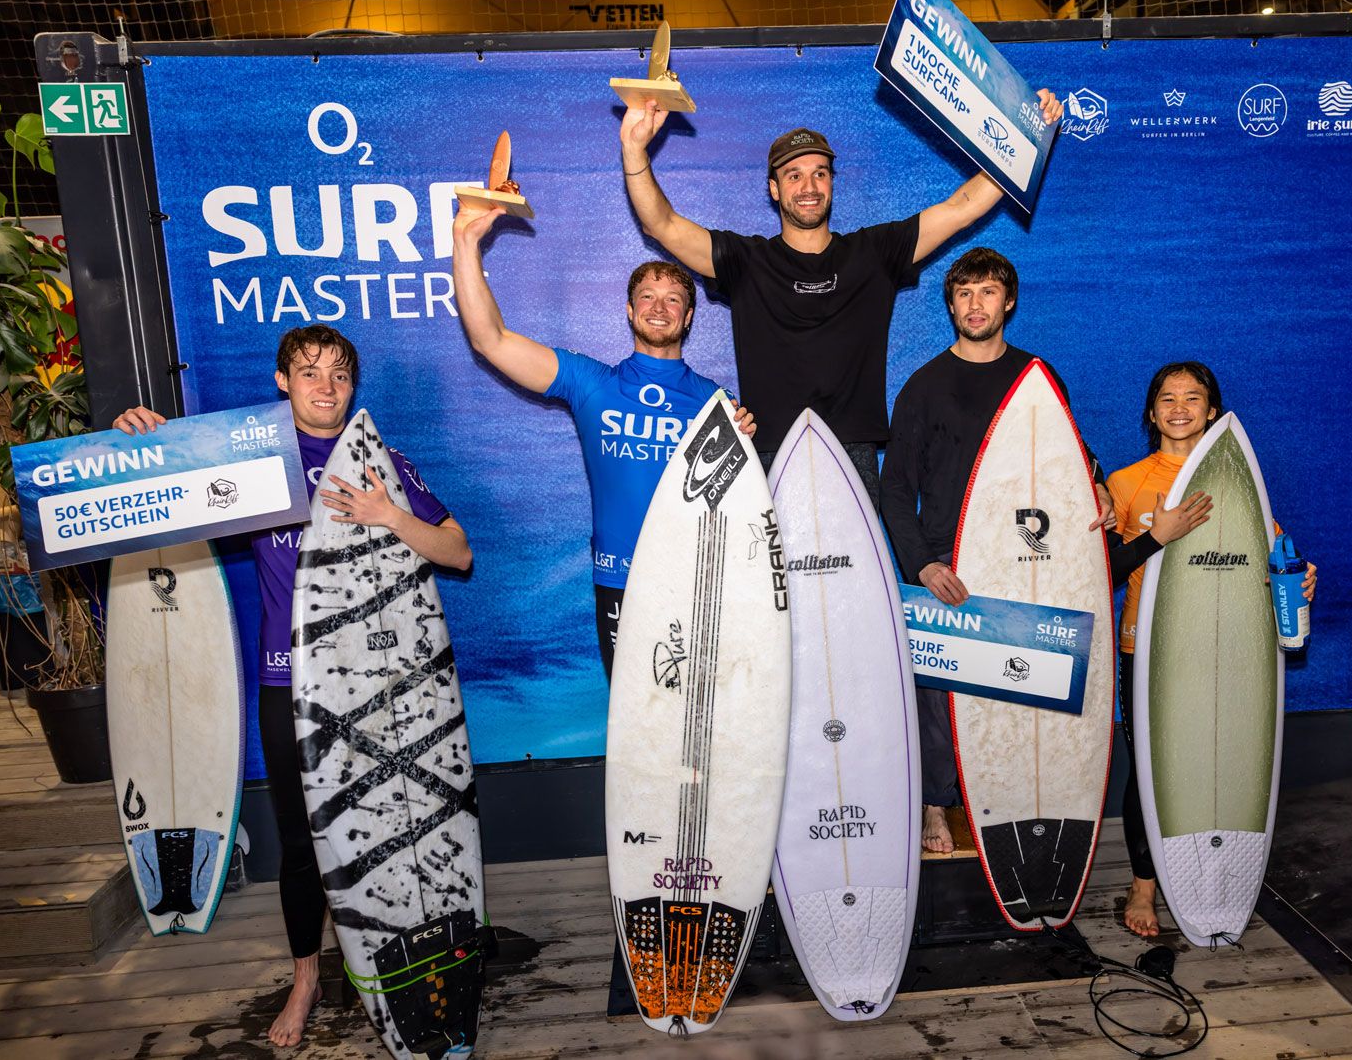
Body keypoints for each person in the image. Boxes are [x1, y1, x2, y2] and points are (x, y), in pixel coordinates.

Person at [114, 325, 473, 1047]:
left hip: (376, 695)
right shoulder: (252, 459)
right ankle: (307, 977)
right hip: (289, 685)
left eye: (340, 374)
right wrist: (139, 436)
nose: (326, 386)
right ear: (283, 381)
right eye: (309, 372)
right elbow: (150, 488)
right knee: (302, 843)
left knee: (386, 834)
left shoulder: (379, 462)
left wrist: (389, 514)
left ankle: (379, 961)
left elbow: (458, 551)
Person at [880, 248, 1211, 855]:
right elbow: (895, 488)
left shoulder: (1036, 376)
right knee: (938, 701)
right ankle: (935, 807)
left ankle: (1009, 802)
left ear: (1008, 301)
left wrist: (1101, 490)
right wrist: (923, 564)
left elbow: (1072, 459)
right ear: (950, 304)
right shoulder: (924, 387)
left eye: (987, 292)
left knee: (1012, 693)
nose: (975, 304)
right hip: (945, 570)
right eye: (964, 293)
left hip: (1024, 564)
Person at [618, 92, 1063, 499]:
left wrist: (1028, 138)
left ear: (832, 183)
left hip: (852, 456)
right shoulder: (744, 260)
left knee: (856, 591)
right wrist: (635, 149)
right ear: (774, 189)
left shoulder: (874, 253)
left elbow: (962, 206)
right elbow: (663, 225)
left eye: (819, 174)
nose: (808, 187)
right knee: (779, 590)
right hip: (772, 454)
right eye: (793, 175)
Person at [451, 203, 752, 676]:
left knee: (701, 732)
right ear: (630, 311)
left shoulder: (718, 404)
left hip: (696, 582)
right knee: (639, 732)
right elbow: (491, 340)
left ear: (690, 317)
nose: (659, 307)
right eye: (648, 297)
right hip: (620, 579)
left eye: (673, 299)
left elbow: (742, 509)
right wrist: (466, 243)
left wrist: (745, 445)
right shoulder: (592, 382)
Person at [1108, 361, 1316, 937]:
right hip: (1144, 650)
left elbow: (1274, 554)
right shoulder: (1125, 483)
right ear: (1151, 412)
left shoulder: (1231, 478)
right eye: (1167, 398)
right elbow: (1100, 569)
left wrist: (1300, 578)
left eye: (1193, 398)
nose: (1180, 407)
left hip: (1223, 648)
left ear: (1211, 409)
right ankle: (1143, 887)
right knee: (1150, 768)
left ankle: (1215, 870)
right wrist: (1158, 534)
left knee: (1214, 758)